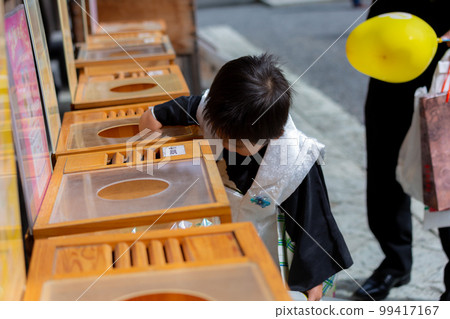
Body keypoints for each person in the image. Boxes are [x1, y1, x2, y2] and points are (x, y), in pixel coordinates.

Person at [140, 54, 353, 300]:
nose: (230, 145)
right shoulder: (212, 110)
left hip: (264, 237)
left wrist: (312, 281)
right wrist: (151, 138)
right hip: (220, 228)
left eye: (241, 143)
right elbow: (156, 115)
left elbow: (312, 224)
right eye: (224, 136)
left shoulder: (296, 160)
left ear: (276, 133)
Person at [353, 0, 450, 301]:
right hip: (390, 46)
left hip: (444, 59)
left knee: (444, 170)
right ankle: (394, 262)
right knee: (383, 163)